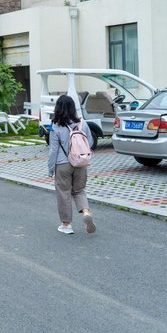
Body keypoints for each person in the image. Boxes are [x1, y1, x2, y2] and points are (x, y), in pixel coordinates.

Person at [48, 94, 97, 235]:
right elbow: (90, 142)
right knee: (79, 191)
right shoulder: (82, 123)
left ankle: (66, 225)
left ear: (58, 108)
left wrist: (50, 169)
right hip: (81, 163)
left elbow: (53, 150)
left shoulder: (55, 126)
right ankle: (86, 212)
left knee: (64, 193)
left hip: (63, 164)